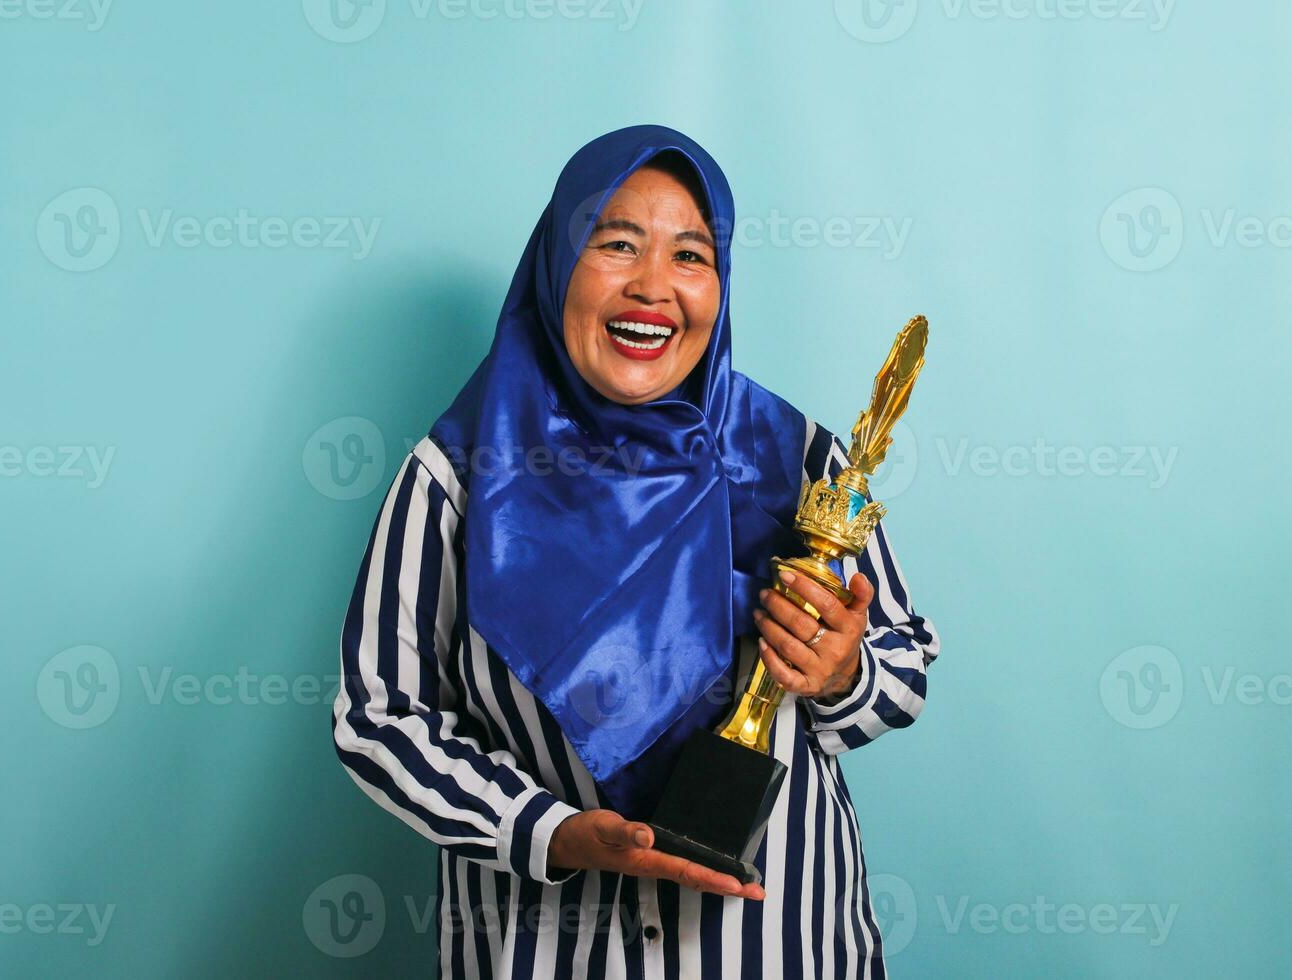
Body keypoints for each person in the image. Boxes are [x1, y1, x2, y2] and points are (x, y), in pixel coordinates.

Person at [332, 124, 939, 979]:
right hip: (552, 949)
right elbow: (380, 717)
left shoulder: (797, 457)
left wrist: (842, 673)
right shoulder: (458, 475)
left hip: (779, 949)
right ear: (557, 262)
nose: (654, 287)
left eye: (691, 256)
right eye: (617, 244)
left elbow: (904, 669)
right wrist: (547, 831)